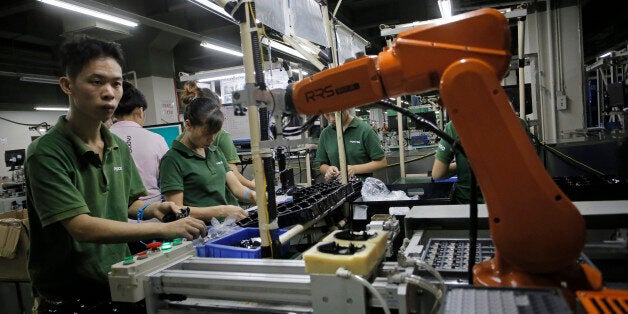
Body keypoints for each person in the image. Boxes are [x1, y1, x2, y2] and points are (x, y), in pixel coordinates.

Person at [25, 35, 207, 313]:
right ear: (67, 85)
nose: (110, 92)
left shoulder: (116, 146)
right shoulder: (46, 152)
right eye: (96, 82)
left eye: (117, 83)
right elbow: (81, 227)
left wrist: (156, 209)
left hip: (116, 281)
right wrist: (162, 228)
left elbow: (129, 204)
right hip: (67, 297)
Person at [159, 96, 252, 222]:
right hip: (201, 232)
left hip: (229, 226)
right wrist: (222, 211)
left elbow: (236, 188)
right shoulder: (172, 160)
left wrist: (254, 195)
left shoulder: (215, 152)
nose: (212, 139)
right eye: (207, 133)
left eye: (216, 133)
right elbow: (177, 209)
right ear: (188, 125)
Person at [432, 113, 532, 204]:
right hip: (510, 204)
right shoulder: (517, 123)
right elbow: (530, 169)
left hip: (468, 204)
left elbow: (438, 174)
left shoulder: (454, 126)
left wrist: (464, 165)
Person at [181, 80, 256, 189]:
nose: (211, 139)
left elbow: (233, 181)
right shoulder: (222, 136)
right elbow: (233, 174)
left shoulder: (213, 150)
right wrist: (252, 185)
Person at [110, 81, 169, 204]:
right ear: (140, 111)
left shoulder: (101, 138)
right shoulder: (156, 139)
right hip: (153, 212)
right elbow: (167, 177)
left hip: (115, 214)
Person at [316, 110, 387, 181]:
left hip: (361, 187)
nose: (331, 119)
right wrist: (328, 169)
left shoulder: (365, 131)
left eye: (334, 114)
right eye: (327, 115)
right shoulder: (325, 134)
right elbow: (321, 164)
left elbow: (382, 162)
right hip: (336, 188)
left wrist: (355, 169)